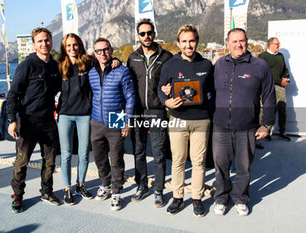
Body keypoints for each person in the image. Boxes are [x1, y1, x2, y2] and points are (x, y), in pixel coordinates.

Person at [212, 28, 276, 216]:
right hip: (220, 126)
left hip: (246, 127)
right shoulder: (219, 64)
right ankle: (221, 198)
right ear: (227, 44)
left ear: (246, 42)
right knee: (220, 165)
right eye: (234, 41)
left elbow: (269, 96)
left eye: (242, 41)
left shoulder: (260, 65)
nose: (238, 45)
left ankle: (240, 198)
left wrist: (266, 123)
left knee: (243, 167)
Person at [158, 24, 214, 217]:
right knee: (178, 160)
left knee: (198, 162)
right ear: (179, 43)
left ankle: (197, 198)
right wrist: (167, 101)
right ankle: (178, 196)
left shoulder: (207, 65)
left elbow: (212, 93)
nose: (188, 45)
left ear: (197, 41)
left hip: (201, 120)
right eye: (184, 41)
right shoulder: (170, 65)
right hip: (177, 119)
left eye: (192, 41)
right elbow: (160, 88)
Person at [6, 27, 62, 213]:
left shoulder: (54, 65)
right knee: (21, 163)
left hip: (48, 123)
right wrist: (11, 120)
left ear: (51, 41)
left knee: (50, 161)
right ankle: (17, 196)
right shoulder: (27, 64)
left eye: (46, 40)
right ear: (34, 44)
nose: (44, 44)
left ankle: (46, 192)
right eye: (40, 41)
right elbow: (12, 94)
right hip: (27, 122)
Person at [127, 18, 173, 207]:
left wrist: (172, 89)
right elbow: (126, 81)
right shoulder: (132, 57)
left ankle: (159, 190)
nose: (146, 36)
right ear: (138, 36)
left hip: (157, 110)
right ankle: (142, 185)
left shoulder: (166, 56)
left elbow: (175, 79)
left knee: (159, 152)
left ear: (154, 33)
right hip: (137, 111)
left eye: (149, 32)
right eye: (142, 33)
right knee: (138, 151)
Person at [88, 37, 136, 211]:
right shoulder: (91, 72)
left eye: (106, 49)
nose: (103, 53)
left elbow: (130, 97)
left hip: (116, 118)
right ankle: (106, 184)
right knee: (100, 158)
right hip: (96, 120)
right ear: (94, 53)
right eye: (99, 51)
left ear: (111, 49)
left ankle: (116, 192)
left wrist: (127, 121)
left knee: (116, 158)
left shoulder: (122, 71)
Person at [57, 33, 94, 205]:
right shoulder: (59, 66)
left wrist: (115, 59)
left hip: (84, 115)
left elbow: (105, 62)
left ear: (80, 45)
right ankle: (67, 189)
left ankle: (80, 185)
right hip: (64, 115)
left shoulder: (88, 62)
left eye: (75, 45)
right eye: (69, 45)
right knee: (66, 154)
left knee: (84, 152)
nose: (72, 48)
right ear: (64, 48)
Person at [259, 37, 290, 141]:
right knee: (268, 110)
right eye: (277, 44)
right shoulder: (263, 56)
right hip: (268, 86)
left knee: (282, 109)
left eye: (279, 44)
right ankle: (266, 131)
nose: (278, 45)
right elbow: (265, 73)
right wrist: (279, 80)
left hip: (280, 87)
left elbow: (285, 69)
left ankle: (282, 132)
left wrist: (286, 77)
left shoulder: (280, 56)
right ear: (270, 45)